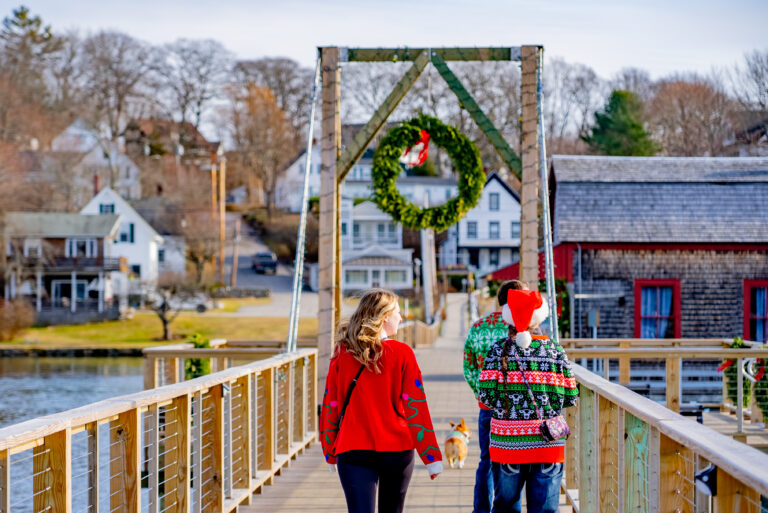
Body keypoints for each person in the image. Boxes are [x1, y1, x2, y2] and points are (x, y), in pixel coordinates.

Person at [320, 288, 443, 513]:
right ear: (385, 316)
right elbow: (416, 408)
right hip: (396, 449)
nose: (401, 317)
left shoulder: (342, 352)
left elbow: (331, 405)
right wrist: (431, 455)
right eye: (397, 312)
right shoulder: (403, 353)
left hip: (352, 448)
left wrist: (329, 450)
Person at [478, 288, 578, 513]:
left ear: (508, 318)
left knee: (505, 507)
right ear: (540, 318)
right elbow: (571, 396)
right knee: (545, 509)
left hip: (509, 443)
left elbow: (484, 396)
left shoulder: (497, 351)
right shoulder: (554, 351)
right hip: (547, 442)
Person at [463, 280, 527, 513]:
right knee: (513, 461)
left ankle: (480, 509)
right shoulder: (523, 330)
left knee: (486, 460)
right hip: (518, 408)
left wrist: (482, 393)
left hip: (488, 406)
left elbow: (469, 367)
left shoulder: (479, 326)